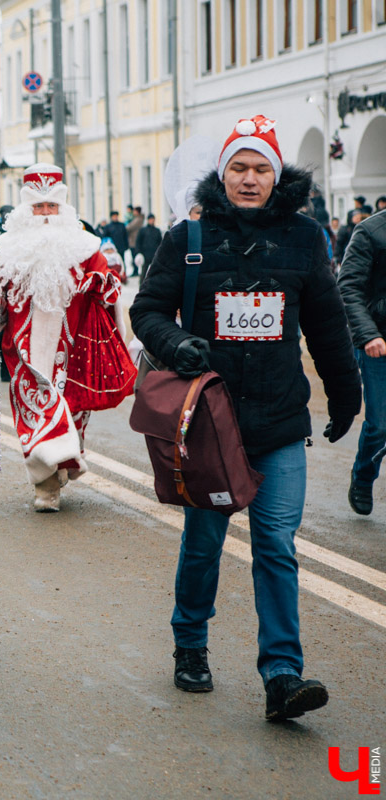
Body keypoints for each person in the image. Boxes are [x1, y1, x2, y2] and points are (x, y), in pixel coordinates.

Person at [130, 115, 361, 722]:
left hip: (281, 422)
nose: (250, 178)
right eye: (239, 167)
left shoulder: (306, 237)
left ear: (276, 173)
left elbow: (328, 323)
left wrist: (344, 398)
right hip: (210, 421)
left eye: (261, 168)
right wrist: (177, 344)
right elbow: (147, 308)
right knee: (204, 542)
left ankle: (283, 675)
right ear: (223, 173)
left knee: (277, 547)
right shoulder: (189, 237)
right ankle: (191, 645)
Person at [0, 164, 132, 512]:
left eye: (51, 207)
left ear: (63, 208)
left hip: (73, 346)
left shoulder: (85, 245)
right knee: (34, 410)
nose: (45, 214)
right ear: (26, 209)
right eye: (38, 207)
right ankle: (45, 485)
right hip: (22, 348)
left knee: (69, 411)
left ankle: (60, 468)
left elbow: (110, 281)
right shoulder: (7, 247)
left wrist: (101, 284)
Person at [337, 200, 386, 515]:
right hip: (379, 343)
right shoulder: (370, 231)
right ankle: (363, 475)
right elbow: (349, 288)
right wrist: (368, 334)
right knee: (381, 425)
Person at [134, 213, 163, 280]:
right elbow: (138, 242)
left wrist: (160, 253)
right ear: (148, 220)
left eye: (153, 219)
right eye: (150, 219)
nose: (152, 221)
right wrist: (138, 252)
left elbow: (160, 243)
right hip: (145, 254)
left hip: (154, 254)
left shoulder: (157, 231)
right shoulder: (143, 230)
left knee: (155, 271)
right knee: (143, 272)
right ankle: (142, 286)